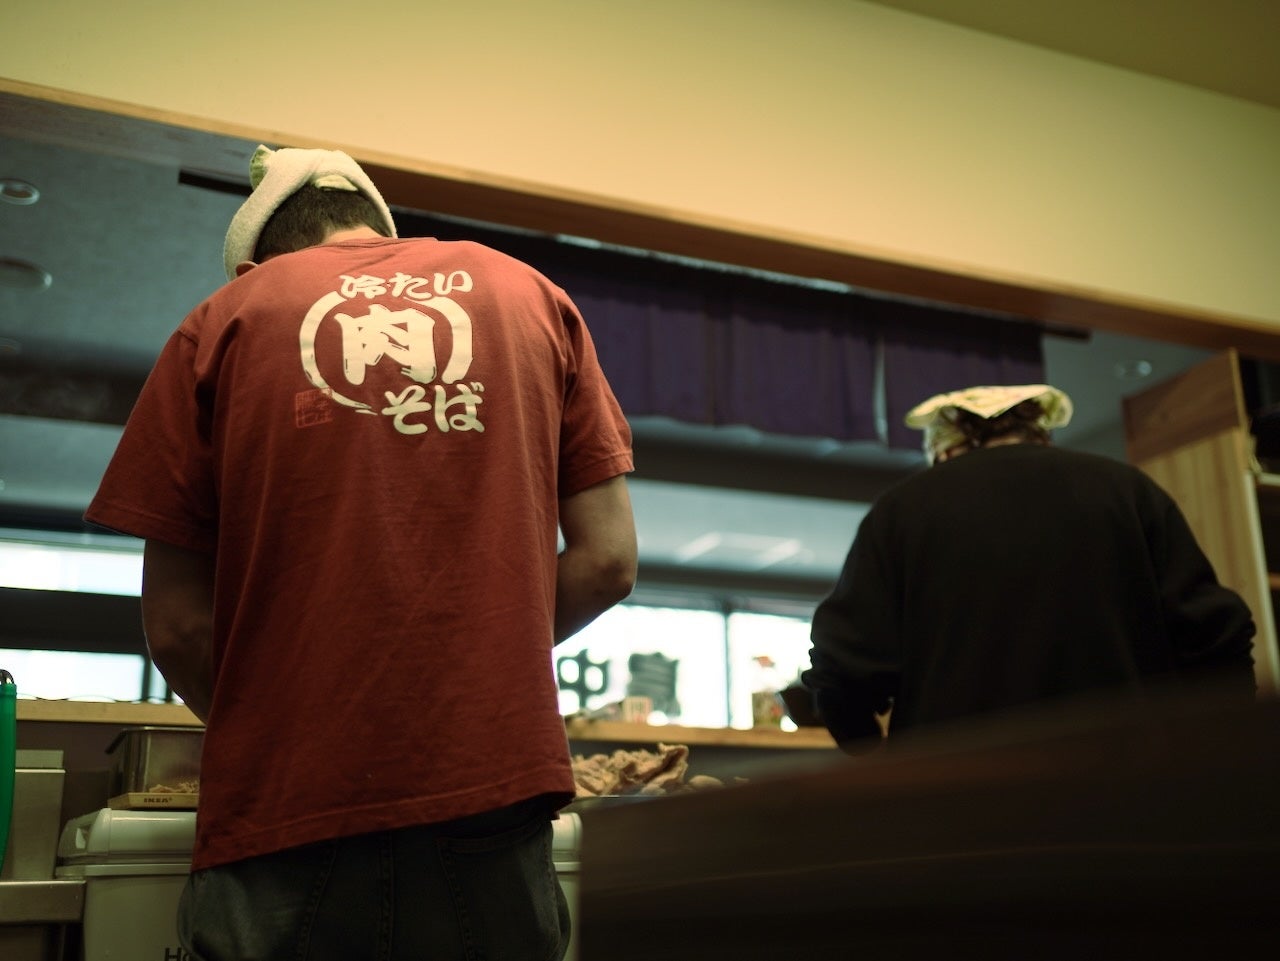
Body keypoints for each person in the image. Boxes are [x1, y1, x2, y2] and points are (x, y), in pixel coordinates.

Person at [85, 144, 637, 960]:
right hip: (489, 793)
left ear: (257, 263)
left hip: (284, 807)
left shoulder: (224, 319)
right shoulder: (530, 293)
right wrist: (472, 668)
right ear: (380, 229)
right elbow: (608, 560)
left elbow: (176, 625)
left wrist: (279, 714)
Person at [802, 384, 1257, 753]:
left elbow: (842, 671)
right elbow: (1218, 639)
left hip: (957, 797)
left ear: (945, 447)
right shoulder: (1128, 491)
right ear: (1041, 434)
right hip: (1128, 786)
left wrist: (871, 753)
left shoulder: (901, 511)